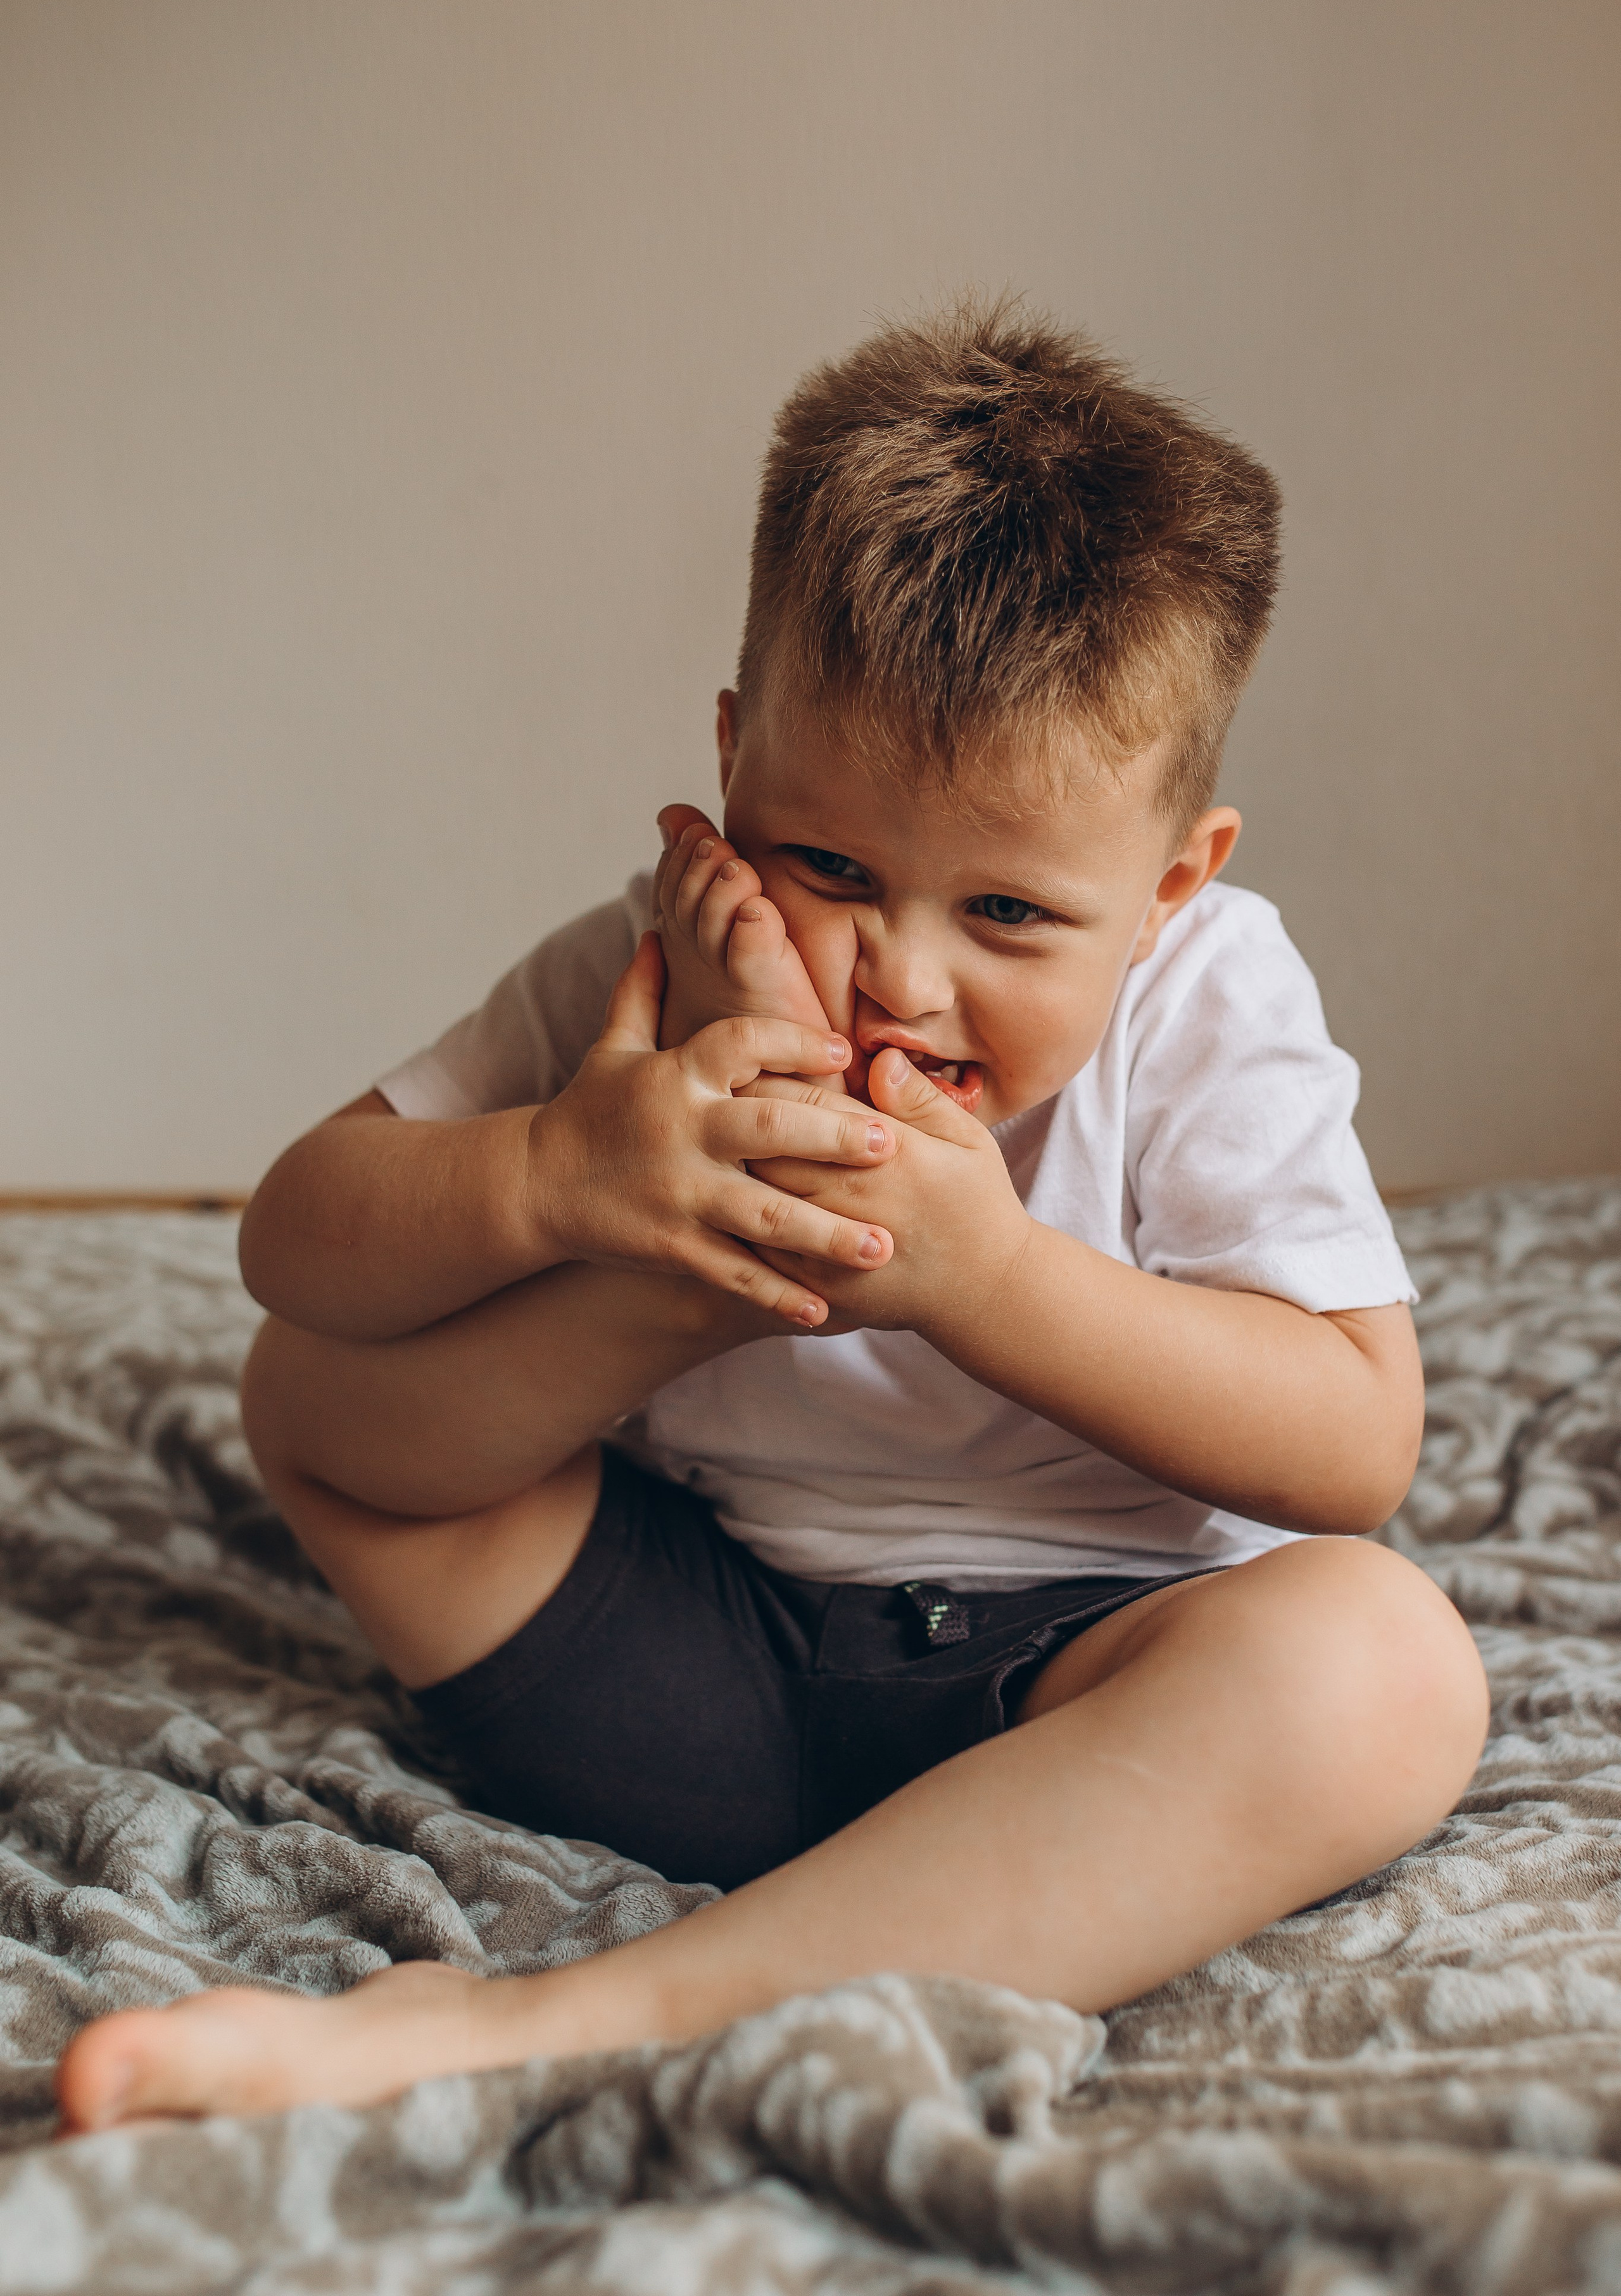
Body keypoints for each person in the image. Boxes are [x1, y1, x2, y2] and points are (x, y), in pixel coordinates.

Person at [56, 301, 1487, 2129]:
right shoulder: (652, 962)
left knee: (1384, 1667)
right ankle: (707, 1274)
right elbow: (295, 1237)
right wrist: (578, 1185)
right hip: (682, 1663)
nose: (902, 974)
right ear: (733, 767)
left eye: (1011, 914)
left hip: (1079, 1687)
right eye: (830, 865)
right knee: (310, 1389)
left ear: (1168, 887)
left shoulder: (1209, 1000)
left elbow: (1353, 1444)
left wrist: (980, 1276)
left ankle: (561, 2022)